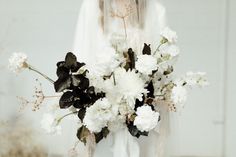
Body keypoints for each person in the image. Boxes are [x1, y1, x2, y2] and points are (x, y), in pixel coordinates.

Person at [72, 0, 169, 157]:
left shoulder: (156, 11)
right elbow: (79, 64)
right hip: (101, 118)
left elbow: (162, 70)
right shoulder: (91, 7)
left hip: (141, 118)